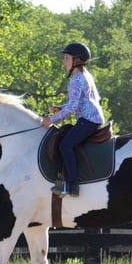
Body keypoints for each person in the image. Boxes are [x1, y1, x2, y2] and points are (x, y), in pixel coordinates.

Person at [40, 42, 105, 197]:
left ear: (77, 60)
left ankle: (72, 184)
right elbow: (77, 103)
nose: (64, 62)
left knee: (65, 145)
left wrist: (52, 120)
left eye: (67, 58)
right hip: (92, 118)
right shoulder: (84, 75)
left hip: (88, 120)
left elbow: (73, 108)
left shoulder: (76, 79)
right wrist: (61, 107)